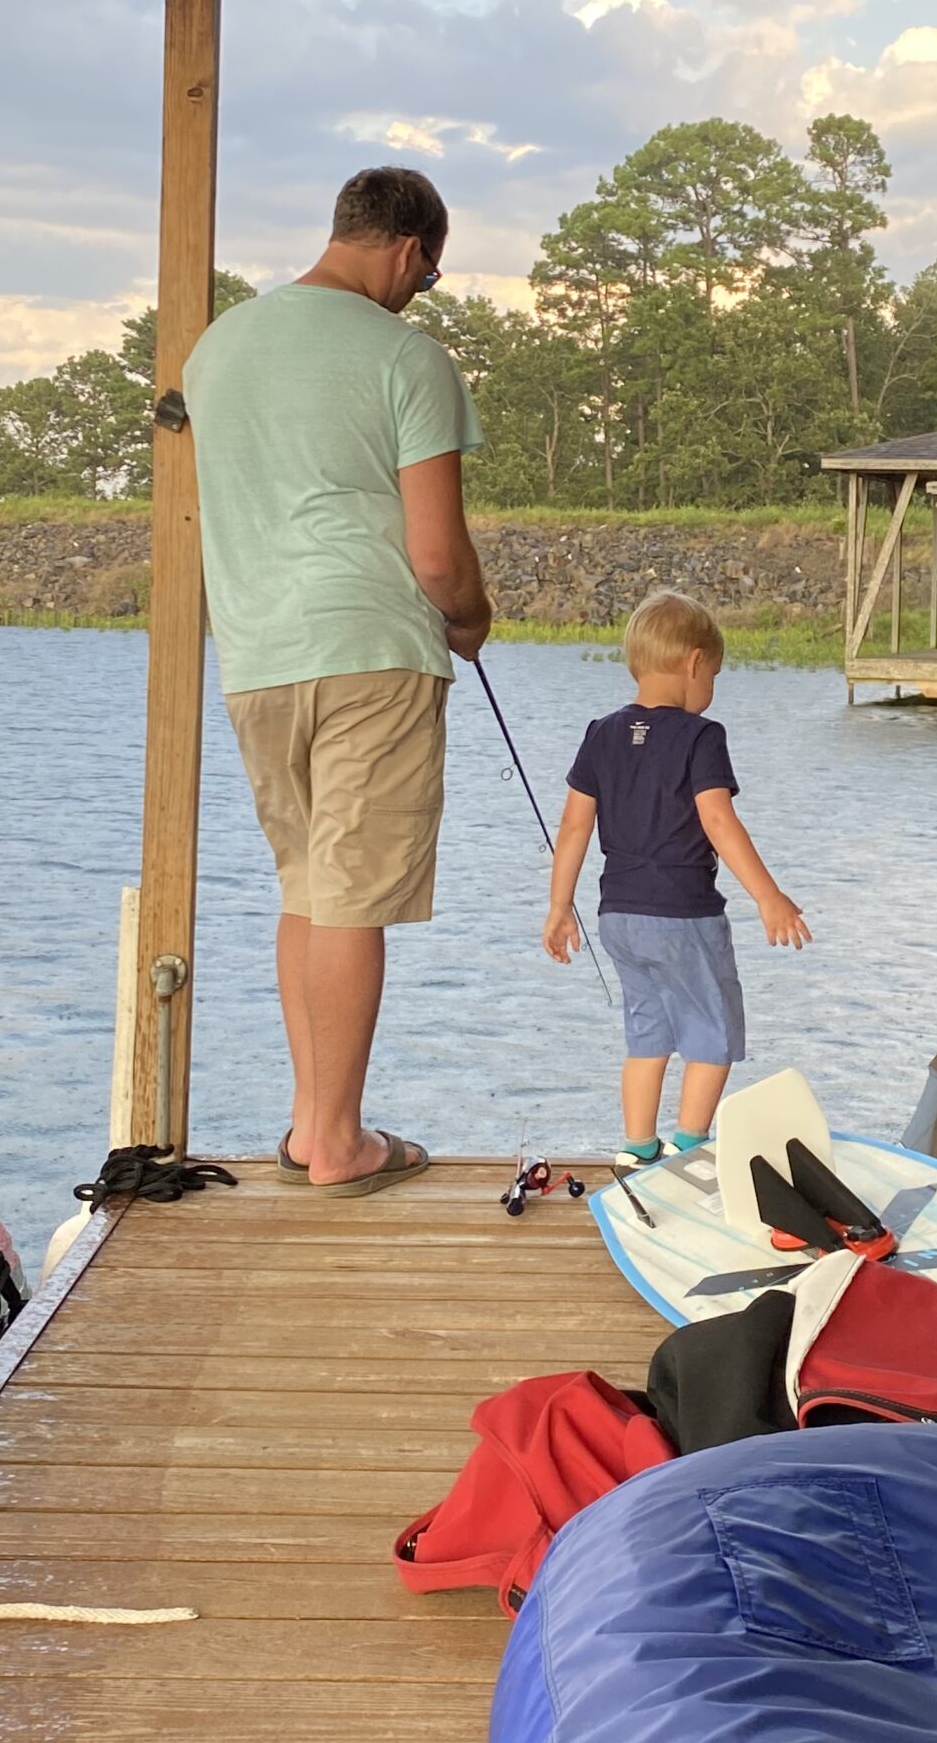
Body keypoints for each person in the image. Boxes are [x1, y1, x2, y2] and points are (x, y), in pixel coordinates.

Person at [184, 165, 491, 1195]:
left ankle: (310, 1126)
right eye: (429, 273)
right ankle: (344, 1142)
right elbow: (439, 555)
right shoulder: (409, 358)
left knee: (308, 889)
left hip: (259, 659)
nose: (420, 290)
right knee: (354, 897)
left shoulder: (216, 348)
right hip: (371, 651)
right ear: (409, 248)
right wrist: (472, 617)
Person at [543, 588, 810, 1168]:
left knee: (648, 1034)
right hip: (683, 915)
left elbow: (572, 827)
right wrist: (769, 896)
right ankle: (689, 1147)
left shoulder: (600, 733)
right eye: (712, 675)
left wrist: (559, 905)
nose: (710, 689)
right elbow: (717, 818)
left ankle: (636, 1148)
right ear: (693, 663)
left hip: (618, 917)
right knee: (712, 1032)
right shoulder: (701, 736)